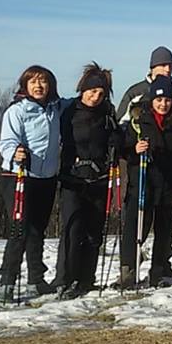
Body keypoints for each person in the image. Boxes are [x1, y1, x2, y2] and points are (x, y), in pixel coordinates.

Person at [0, 65, 66, 302]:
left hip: (46, 178)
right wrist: (14, 152)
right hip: (19, 176)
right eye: (33, 81)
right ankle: (7, 282)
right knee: (20, 231)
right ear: (25, 85)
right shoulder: (17, 111)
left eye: (43, 81)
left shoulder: (56, 108)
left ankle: (36, 280)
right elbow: (6, 141)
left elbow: (82, 102)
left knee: (37, 230)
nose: (38, 86)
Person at [52, 63, 122, 299]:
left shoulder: (107, 114)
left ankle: (86, 278)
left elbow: (116, 141)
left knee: (94, 232)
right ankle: (65, 279)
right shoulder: (69, 111)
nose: (95, 97)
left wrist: (119, 142)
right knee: (73, 230)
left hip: (99, 180)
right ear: (83, 89)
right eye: (92, 92)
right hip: (73, 179)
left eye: (100, 93)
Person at [118, 75, 172, 288]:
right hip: (142, 184)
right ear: (152, 100)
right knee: (135, 229)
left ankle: (159, 270)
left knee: (164, 230)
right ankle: (128, 270)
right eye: (159, 100)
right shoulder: (138, 121)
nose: (163, 104)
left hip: (169, 185)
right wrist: (134, 150)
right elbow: (123, 150)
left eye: (167, 100)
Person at [115, 46, 172, 126]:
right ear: (152, 67)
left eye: (171, 66)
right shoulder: (136, 92)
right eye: (163, 65)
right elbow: (121, 123)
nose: (168, 69)